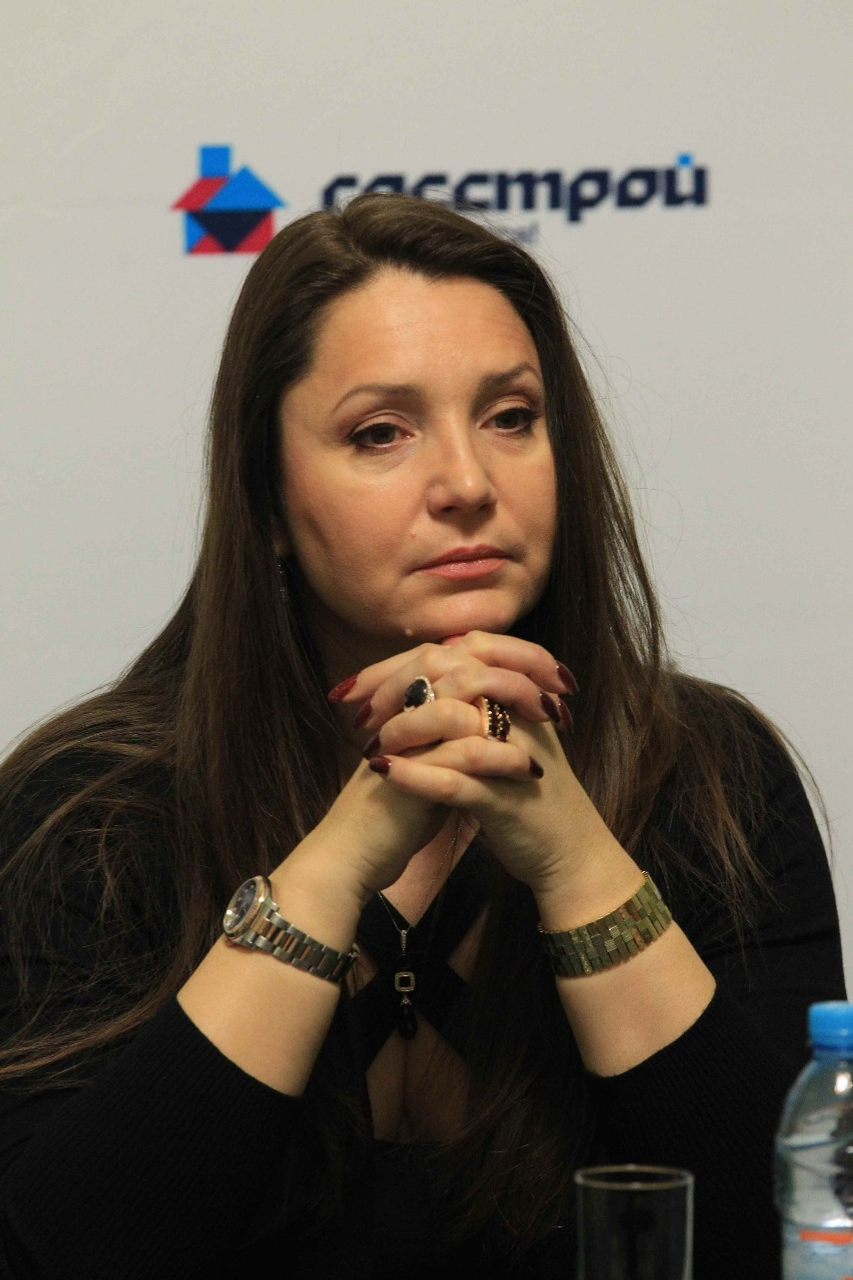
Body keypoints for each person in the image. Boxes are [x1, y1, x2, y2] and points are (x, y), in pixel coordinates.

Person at [0, 193, 845, 1280]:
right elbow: (53, 1255)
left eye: (510, 416)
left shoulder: (713, 775)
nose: (467, 484)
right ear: (266, 499)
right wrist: (335, 863)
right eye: (379, 433)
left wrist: (577, 861)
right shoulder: (89, 808)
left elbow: (792, 1241)